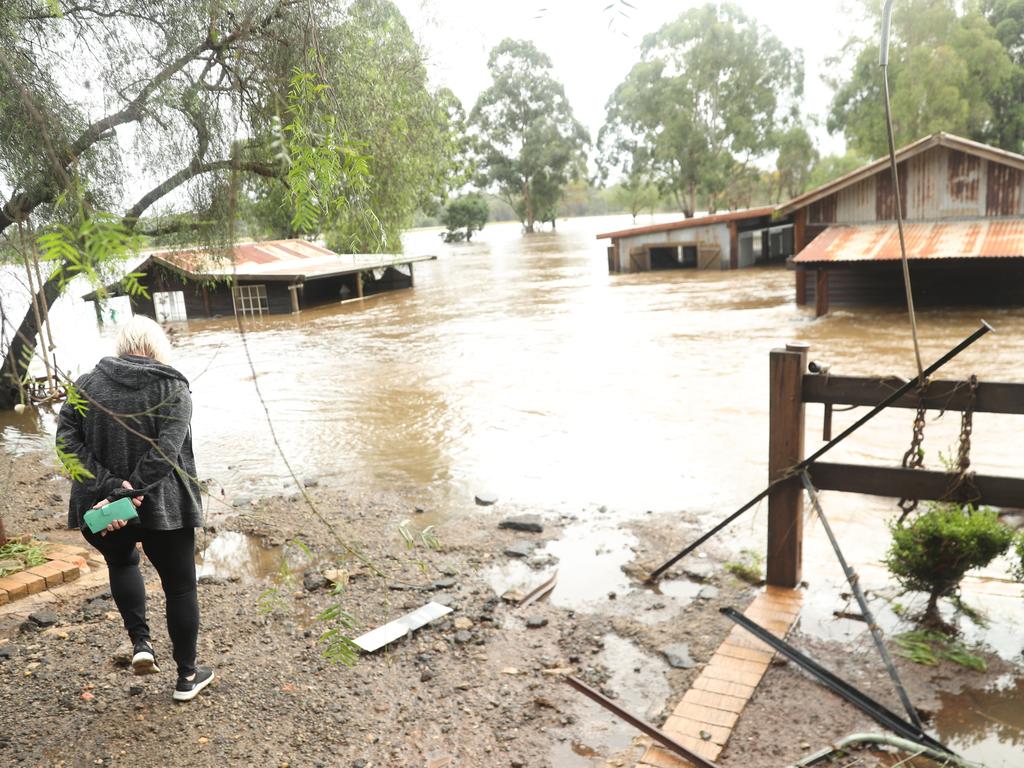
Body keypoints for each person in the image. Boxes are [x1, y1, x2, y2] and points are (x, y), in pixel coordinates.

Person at [56, 315, 213, 702]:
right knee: (179, 588)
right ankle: (186, 679)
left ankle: (141, 645)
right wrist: (132, 490)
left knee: (123, 564)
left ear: (122, 346)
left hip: (103, 509)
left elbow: (65, 443)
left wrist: (111, 490)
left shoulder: (85, 385)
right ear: (157, 346)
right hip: (165, 508)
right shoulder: (172, 386)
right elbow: (167, 448)